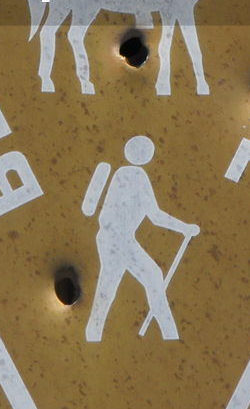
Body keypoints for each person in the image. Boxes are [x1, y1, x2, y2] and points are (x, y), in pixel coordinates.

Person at [84, 136, 199, 342]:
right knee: (148, 277)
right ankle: (170, 334)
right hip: (117, 238)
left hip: (111, 236)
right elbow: (154, 216)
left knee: (111, 284)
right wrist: (184, 228)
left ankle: (94, 332)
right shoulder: (136, 175)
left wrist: (183, 228)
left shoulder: (123, 173)